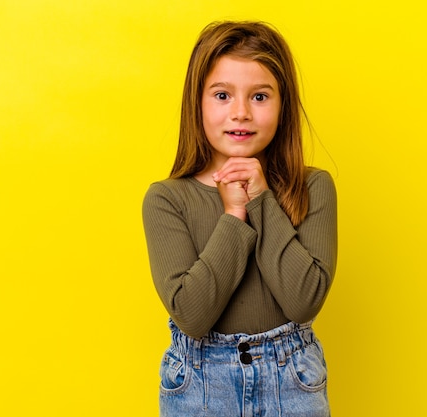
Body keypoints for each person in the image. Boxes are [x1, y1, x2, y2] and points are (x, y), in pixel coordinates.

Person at [142, 20, 337, 417]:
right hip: (199, 387)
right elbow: (193, 315)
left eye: (260, 96)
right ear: (197, 103)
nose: (241, 113)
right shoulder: (167, 199)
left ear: (283, 105)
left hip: (292, 383)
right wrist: (234, 213)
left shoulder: (314, 187)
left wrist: (261, 198)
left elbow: (304, 302)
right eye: (222, 95)